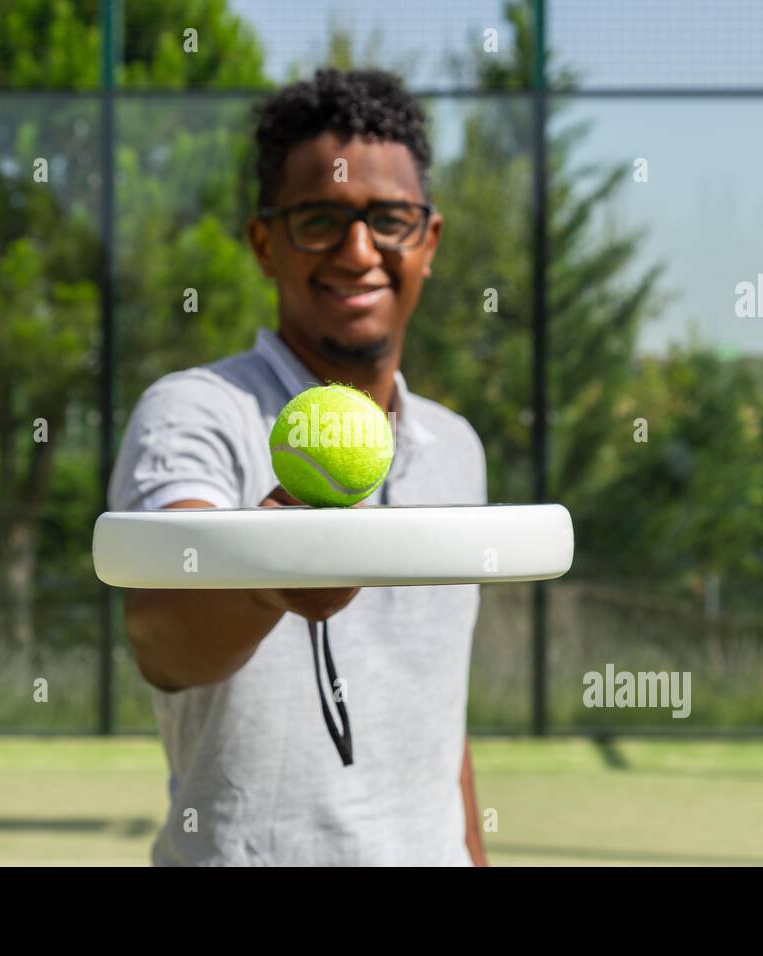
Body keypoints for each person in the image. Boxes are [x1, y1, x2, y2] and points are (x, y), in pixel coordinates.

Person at [109, 67, 488, 866]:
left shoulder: (458, 447)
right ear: (263, 243)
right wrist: (267, 578)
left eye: (390, 219)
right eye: (320, 220)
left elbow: (437, 724)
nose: (358, 252)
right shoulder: (192, 413)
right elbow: (161, 635)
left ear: (430, 240)